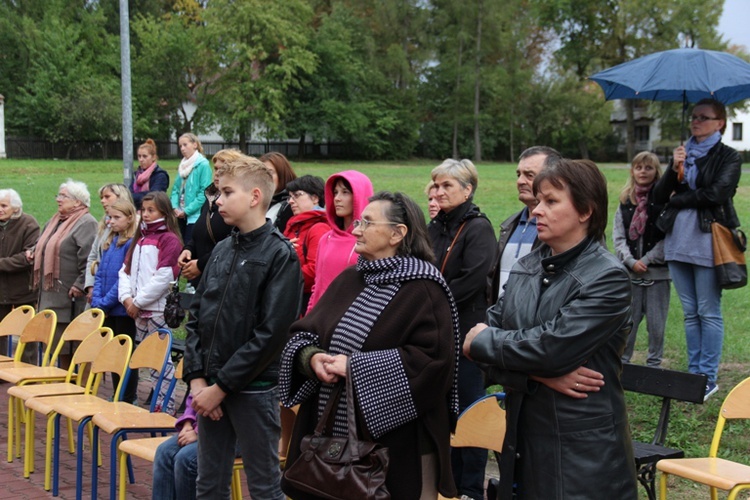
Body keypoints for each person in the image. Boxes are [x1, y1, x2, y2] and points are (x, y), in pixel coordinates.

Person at [464, 158, 638, 499]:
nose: (535, 211)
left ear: (586, 210)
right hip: (522, 445)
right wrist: (534, 376)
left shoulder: (608, 277)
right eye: (537, 200)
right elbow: (479, 353)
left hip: (583, 458)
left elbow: (549, 349)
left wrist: (488, 343)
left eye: (551, 201)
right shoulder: (528, 266)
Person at [280, 191, 459, 499]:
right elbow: (304, 333)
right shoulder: (352, 278)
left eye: (367, 222)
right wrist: (312, 358)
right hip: (330, 443)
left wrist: (356, 367)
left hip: (399, 447)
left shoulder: (424, 289)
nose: (355, 229)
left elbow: (433, 363)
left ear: (397, 234)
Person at [182, 156, 303, 500]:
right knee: (209, 485)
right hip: (210, 391)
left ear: (253, 197)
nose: (217, 201)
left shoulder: (280, 255)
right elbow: (197, 319)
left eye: (226, 192)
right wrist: (197, 379)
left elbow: (270, 336)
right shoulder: (221, 250)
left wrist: (221, 387)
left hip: (252, 391)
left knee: (264, 488)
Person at [653, 98, 742, 400]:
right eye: (694, 116)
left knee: (708, 311)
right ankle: (694, 375)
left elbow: (717, 193)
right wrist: (674, 171)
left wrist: (679, 198)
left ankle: (709, 376)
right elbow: (659, 195)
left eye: (704, 117)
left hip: (708, 240)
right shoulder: (682, 153)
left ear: (720, 123)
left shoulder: (729, 156)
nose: (696, 121)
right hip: (678, 241)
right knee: (690, 313)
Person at [427, 158, 496, 500]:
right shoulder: (436, 225)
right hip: (437, 328)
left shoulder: (478, 227)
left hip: (467, 329)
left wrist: (431, 302)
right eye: (436, 185)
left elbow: (472, 278)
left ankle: (471, 487)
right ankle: (448, 482)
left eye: (447, 186)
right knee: (444, 407)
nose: (439, 192)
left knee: (470, 409)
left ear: (467, 190)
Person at [119, 191, 182, 413]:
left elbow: (164, 277)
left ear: (163, 212)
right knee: (148, 361)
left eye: (151, 210)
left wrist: (139, 301)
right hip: (137, 310)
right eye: (143, 210)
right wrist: (127, 298)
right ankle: (157, 400)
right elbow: (125, 271)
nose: (145, 214)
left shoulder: (169, 240)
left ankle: (166, 405)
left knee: (161, 362)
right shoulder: (140, 238)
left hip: (155, 310)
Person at [31, 180, 98, 367]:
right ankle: (61, 380)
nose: (58, 200)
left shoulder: (87, 223)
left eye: (63, 196)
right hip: (51, 295)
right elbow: (43, 245)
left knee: (71, 343)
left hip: (70, 296)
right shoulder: (55, 221)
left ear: (78, 202)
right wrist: (32, 251)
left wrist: (79, 283)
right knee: (56, 343)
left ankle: (73, 383)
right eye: (58, 195)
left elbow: (90, 259)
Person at [613, 151, 670, 367]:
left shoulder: (664, 201)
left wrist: (645, 259)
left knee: (657, 324)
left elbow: (668, 238)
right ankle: (624, 361)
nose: (643, 172)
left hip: (657, 273)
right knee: (629, 321)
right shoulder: (625, 200)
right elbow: (618, 236)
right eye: (639, 167)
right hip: (630, 273)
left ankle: (654, 363)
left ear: (657, 172)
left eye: (648, 168)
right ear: (632, 171)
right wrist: (629, 261)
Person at [487, 146, 562, 300]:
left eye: (529, 175)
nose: (520, 181)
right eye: (518, 174)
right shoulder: (509, 225)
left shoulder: (563, 228)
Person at [91, 199, 138, 403]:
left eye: (117, 217)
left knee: (125, 353)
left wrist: (104, 303)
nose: (111, 221)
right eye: (110, 217)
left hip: (120, 309)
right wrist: (97, 301)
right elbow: (100, 273)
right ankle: (116, 391)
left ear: (129, 219)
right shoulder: (111, 242)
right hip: (107, 308)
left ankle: (127, 396)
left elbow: (123, 277)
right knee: (112, 353)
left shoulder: (130, 244)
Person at [306, 170, 373, 313]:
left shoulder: (370, 241)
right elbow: (317, 287)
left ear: (360, 196)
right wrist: (308, 318)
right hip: (319, 319)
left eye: (345, 192)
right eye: (335, 192)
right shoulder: (326, 239)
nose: (337, 198)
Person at [178, 149, 244, 287]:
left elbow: (231, 244)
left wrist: (201, 265)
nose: (217, 174)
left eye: (223, 169)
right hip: (202, 281)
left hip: (221, 281)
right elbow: (200, 233)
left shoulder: (237, 205)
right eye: (216, 168)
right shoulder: (209, 198)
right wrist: (188, 249)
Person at [0, 189, 40, 359]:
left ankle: (28, 370)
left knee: (27, 335)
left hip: (24, 290)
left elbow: (28, 258)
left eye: (3, 205)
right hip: (0, 290)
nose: (0, 209)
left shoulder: (29, 224)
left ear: (15, 208)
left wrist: (2, 263)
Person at [282, 175, 330, 312]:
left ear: (315, 198)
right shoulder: (294, 224)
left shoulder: (319, 227)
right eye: (290, 196)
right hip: (291, 295)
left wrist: (281, 277)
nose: (291, 201)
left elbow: (314, 269)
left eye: (297, 195)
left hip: (304, 301)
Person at [84, 184, 134, 305]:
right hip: (100, 290)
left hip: (120, 294)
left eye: (107, 197)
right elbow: (94, 256)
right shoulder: (105, 225)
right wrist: (91, 286)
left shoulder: (133, 227)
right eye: (101, 197)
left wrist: (105, 301)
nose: (102, 201)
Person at [152, 394, 199, 500]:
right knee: (164, 451)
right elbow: (194, 396)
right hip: (201, 425)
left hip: (232, 432)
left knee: (186, 459)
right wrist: (188, 423)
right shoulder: (200, 379)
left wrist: (198, 433)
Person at [170, 133, 212, 243]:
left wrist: (187, 211)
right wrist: (175, 207)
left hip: (194, 216)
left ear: (195, 145)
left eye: (185, 145)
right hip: (179, 214)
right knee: (179, 243)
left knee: (190, 244)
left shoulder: (203, 165)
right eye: (180, 146)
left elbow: (204, 192)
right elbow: (175, 189)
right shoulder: (182, 165)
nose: (182, 149)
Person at [260, 151, 298, 232]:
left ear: (282, 174)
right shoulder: (257, 202)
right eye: (261, 173)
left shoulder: (291, 205)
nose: (265, 177)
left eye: (270, 172)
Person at [130, 138, 170, 210]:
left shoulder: (160, 175)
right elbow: (129, 192)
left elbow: (153, 196)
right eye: (139, 156)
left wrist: (132, 197)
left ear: (153, 157)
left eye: (145, 156)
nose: (141, 159)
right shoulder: (137, 175)